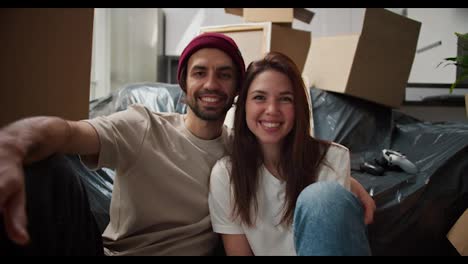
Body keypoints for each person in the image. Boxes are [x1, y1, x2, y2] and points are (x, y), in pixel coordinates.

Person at [0, 32, 246, 256]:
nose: (211, 84)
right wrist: (11, 145)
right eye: (200, 73)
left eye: (224, 75)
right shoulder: (143, 125)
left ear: (237, 88)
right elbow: (69, 132)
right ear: (184, 84)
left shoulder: (241, 153)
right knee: (45, 170)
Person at [208, 51, 376, 256]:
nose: (272, 109)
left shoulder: (332, 159)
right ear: (243, 106)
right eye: (259, 97)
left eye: (285, 99)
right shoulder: (226, 174)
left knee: (323, 196)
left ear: (298, 108)